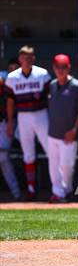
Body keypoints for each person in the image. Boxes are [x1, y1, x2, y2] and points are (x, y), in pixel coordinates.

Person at [5, 46, 51, 200]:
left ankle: (58, 188)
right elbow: (10, 102)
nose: (26, 60)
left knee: (51, 151)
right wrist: (11, 122)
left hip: (41, 114)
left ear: (34, 59)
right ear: (19, 60)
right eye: (23, 58)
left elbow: (50, 98)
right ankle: (31, 189)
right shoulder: (12, 77)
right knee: (28, 154)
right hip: (23, 117)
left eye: (29, 57)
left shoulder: (42, 74)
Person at [47, 54, 78, 203]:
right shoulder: (52, 85)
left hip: (69, 134)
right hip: (53, 133)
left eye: (63, 67)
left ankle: (66, 191)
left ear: (69, 68)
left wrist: (74, 130)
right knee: (53, 166)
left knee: (67, 166)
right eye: (57, 67)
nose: (60, 70)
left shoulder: (76, 86)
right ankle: (58, 193)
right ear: (53, 68)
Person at [0, 59, 22, 200]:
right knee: (3, 157)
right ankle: (16, 193)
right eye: (11, 69)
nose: (13, 72)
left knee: (4, 157)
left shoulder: (23, 80)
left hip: (18, 123)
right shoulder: (5, 78)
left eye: (16, 69)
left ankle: (19, 192)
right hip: (5, 124)